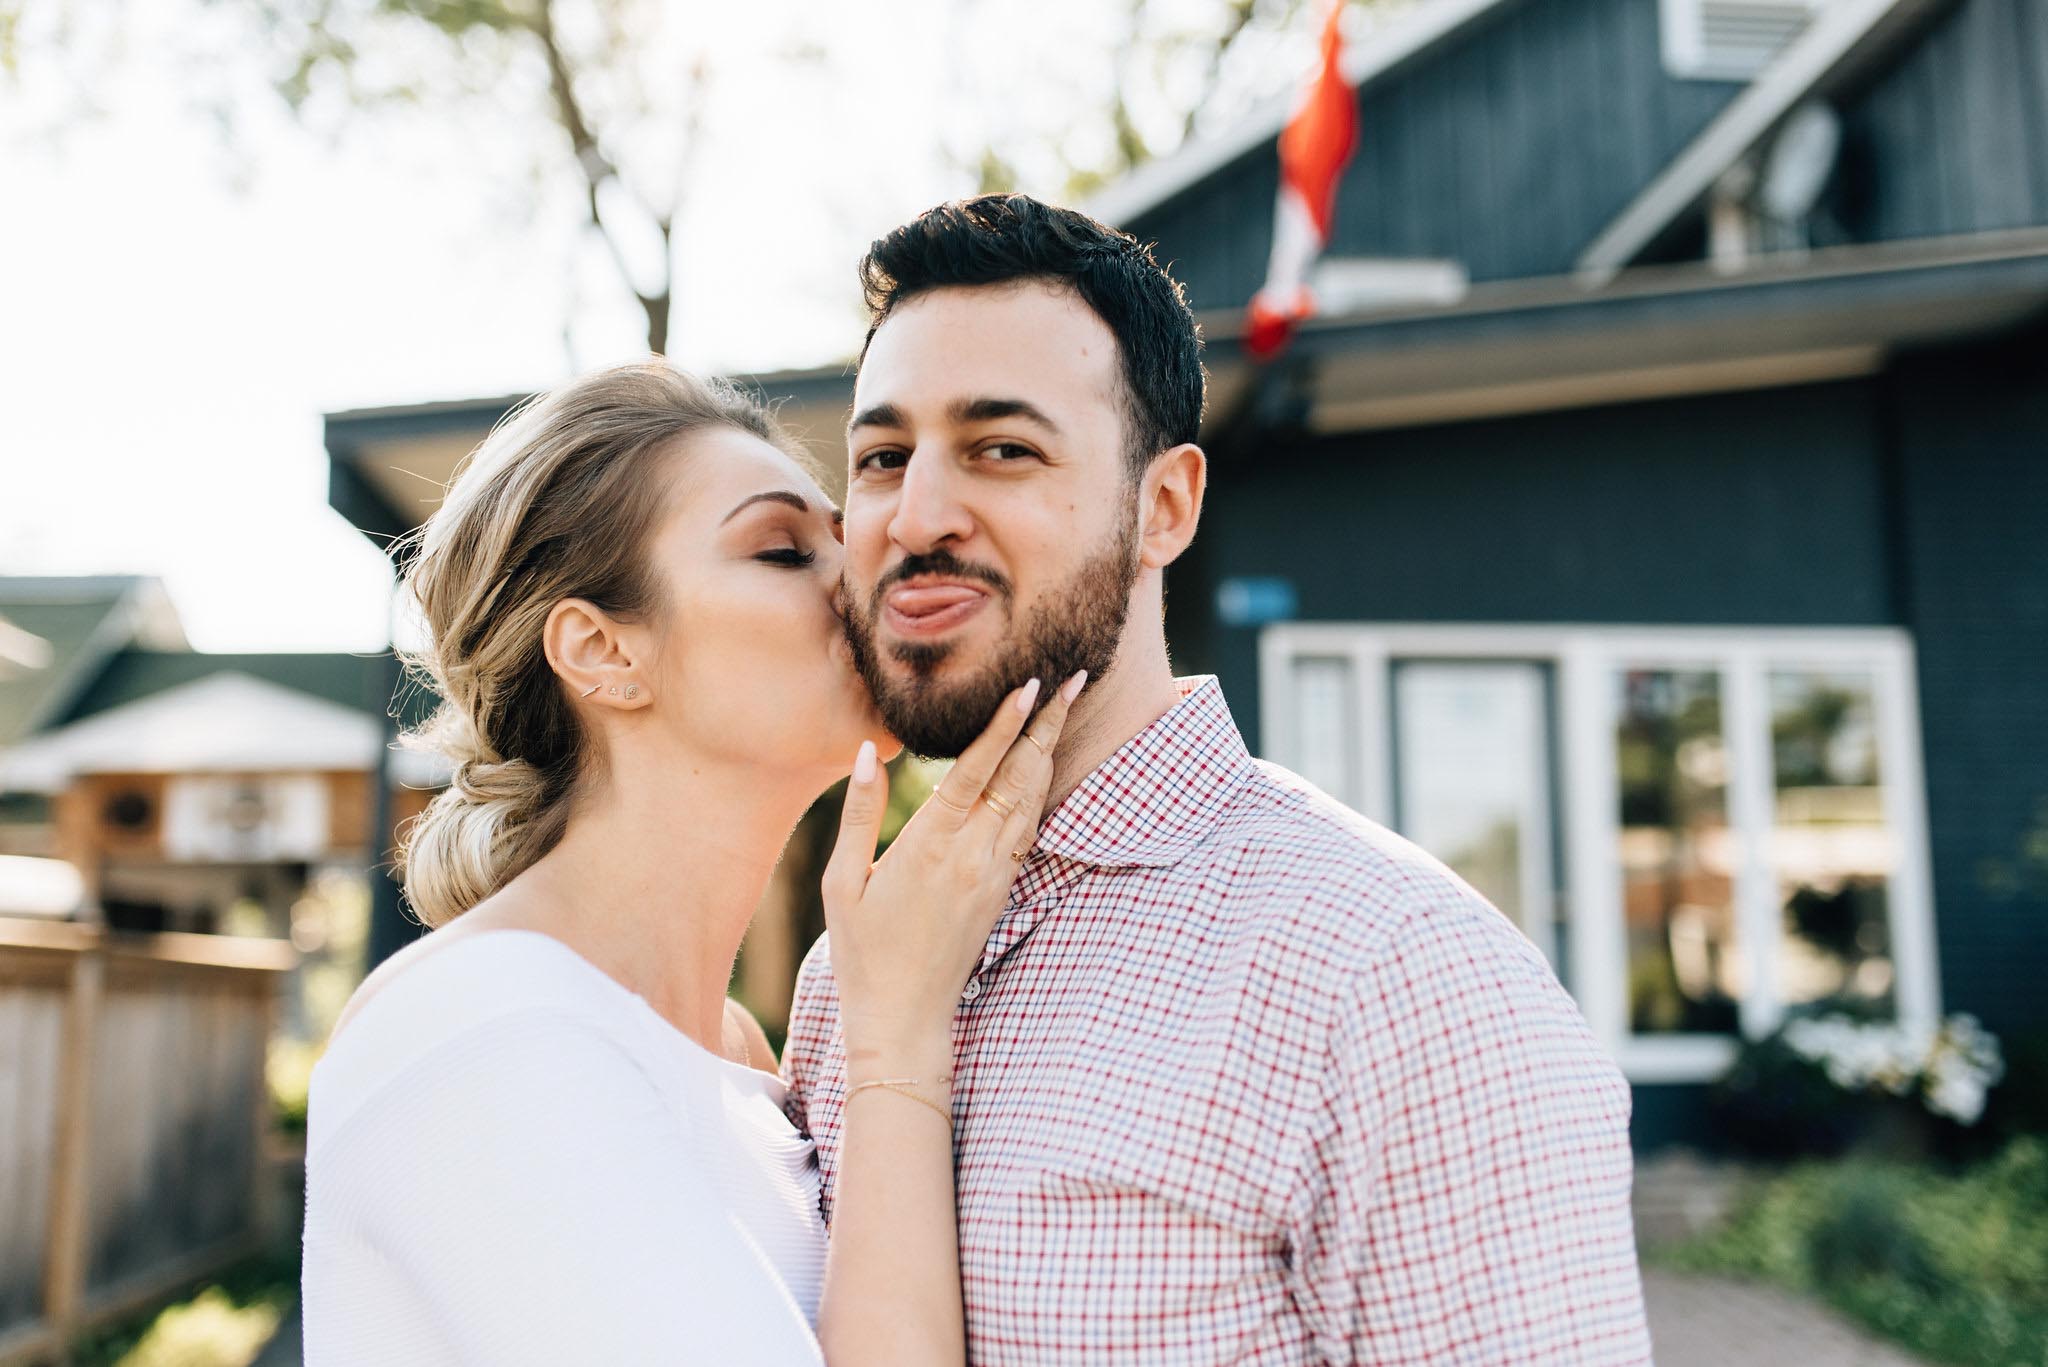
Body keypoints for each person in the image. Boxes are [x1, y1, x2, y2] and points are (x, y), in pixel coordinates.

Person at [782, 193, 1654, 1364]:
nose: (917, 515)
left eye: (1002, 448)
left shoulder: (1401, 978)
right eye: (884, 457)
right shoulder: (850, 975)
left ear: (1165, 506)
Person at [300, 362, 1086, 1366]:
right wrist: (895, 1035)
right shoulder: (483, 1025)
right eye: (779, 549)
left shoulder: (739, 1061)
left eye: (839, 539)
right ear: (600, 651)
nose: (862, 577)